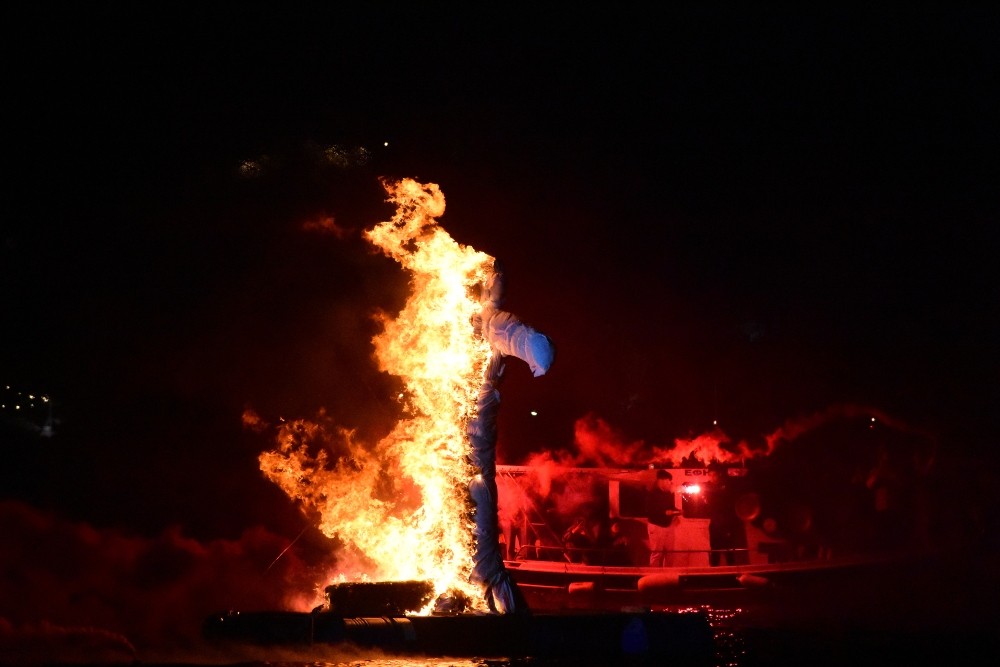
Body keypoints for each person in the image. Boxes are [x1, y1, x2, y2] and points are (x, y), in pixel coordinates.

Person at [705, 466, 747, 566]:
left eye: (714, 475)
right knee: (715, 551)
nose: (712, 477)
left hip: (726, 524)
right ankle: (714, 574)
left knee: (729, 552)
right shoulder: (706, 487)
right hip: (714, 524)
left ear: (718, 475)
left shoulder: (726, 486)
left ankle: (732, 574)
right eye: (710, 475)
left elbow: (729, 504)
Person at [646, 470, 681, 567]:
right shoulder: (652, 493)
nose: (670, 483)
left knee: (670, 553)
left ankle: (667, 575)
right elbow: (649, 510)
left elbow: (671, 506)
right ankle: (654, 576)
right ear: (662, 481)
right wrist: (664, 512)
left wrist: (678, 511)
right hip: (656, 526)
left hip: (668, 526)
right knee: (657, 554)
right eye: (669, 481)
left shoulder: (669, 493)